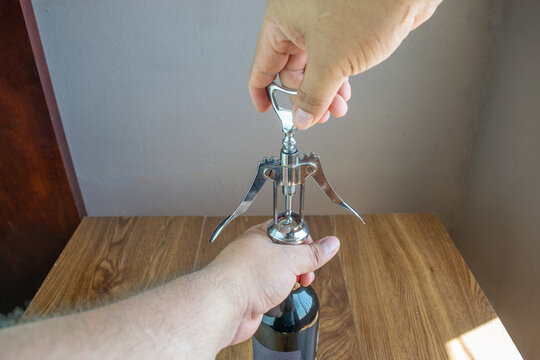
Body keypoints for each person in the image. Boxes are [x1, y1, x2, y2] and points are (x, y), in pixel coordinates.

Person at [0, 0, 441, 358]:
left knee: (299, 311)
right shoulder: (262, 304)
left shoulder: (289, 300)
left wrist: (225, 291)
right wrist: (227, 289)